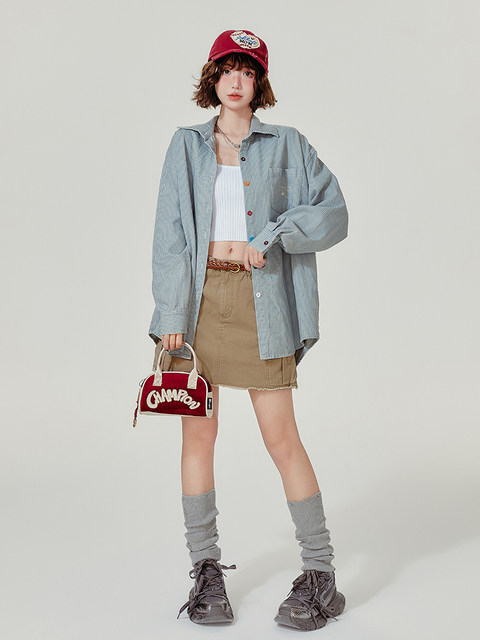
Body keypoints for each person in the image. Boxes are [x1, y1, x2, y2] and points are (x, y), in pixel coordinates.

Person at [148, 29, 349, 632]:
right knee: (198, 438)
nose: (236, 81)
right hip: (198, 303)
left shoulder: (288, 144)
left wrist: (272, 237)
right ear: (212, 79)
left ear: (259, 82)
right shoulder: (186, 146)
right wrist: (171, 317)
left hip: (262, 302)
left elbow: (333, 212)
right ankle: (205, 571)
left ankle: (321, 573)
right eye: (226, 70)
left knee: (280, 437)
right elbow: (170, 235)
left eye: (247, 70)